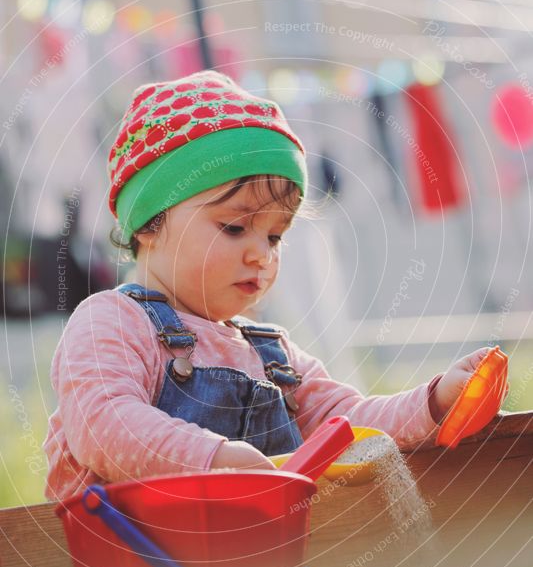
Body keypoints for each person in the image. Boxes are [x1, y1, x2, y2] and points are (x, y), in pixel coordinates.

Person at [43, 70, 496, 500]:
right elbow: (103, 423)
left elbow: (347, 424)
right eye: (235, 228)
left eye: (275, 236)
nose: (262, 254)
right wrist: (213, 460)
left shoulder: (270, 355)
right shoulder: (113, 323)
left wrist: (433, 403)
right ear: (148, 223)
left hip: (260, 563)